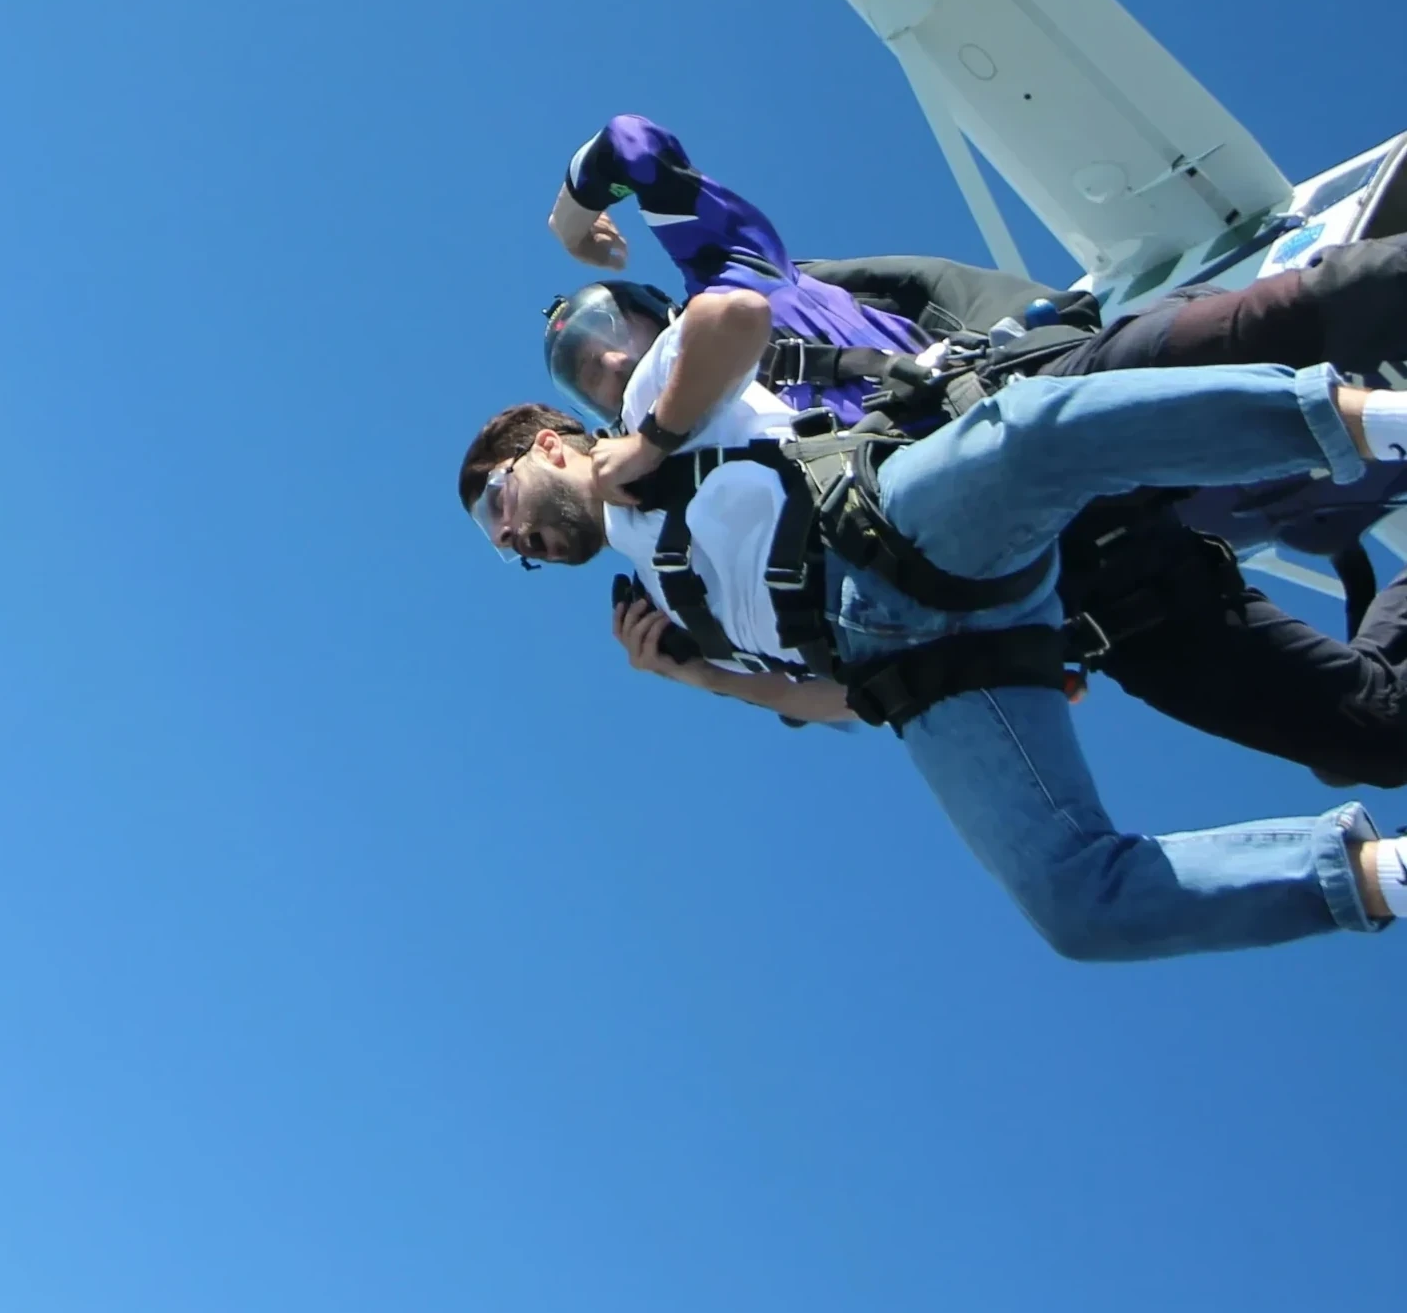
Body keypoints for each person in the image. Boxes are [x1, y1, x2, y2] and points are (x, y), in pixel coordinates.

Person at [458, 288, 1407, 961]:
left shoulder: (643, 408)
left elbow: (732, 315)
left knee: (1036, 437)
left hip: (893, 528)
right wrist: (704, 679)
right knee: (1077, 909)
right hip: (927, 675)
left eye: (500, 504)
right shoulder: (666, 612)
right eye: (505, 547)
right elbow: (844, 704)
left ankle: (1375, 419)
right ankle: (1379, 876)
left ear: (547, 445)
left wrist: (653, 440)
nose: (516, 539)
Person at [542, 113, 1407, 787]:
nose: (610, 363)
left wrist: (573, 213)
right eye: (584, 373)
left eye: (604, 328)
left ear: (655, 308)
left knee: (1331, 306)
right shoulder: (692, 534)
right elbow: (865, 687)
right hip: (1088, 582)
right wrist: (714, 679)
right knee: (1370, 731)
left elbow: (634, 145)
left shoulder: (744, 283)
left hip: (1046, 410)